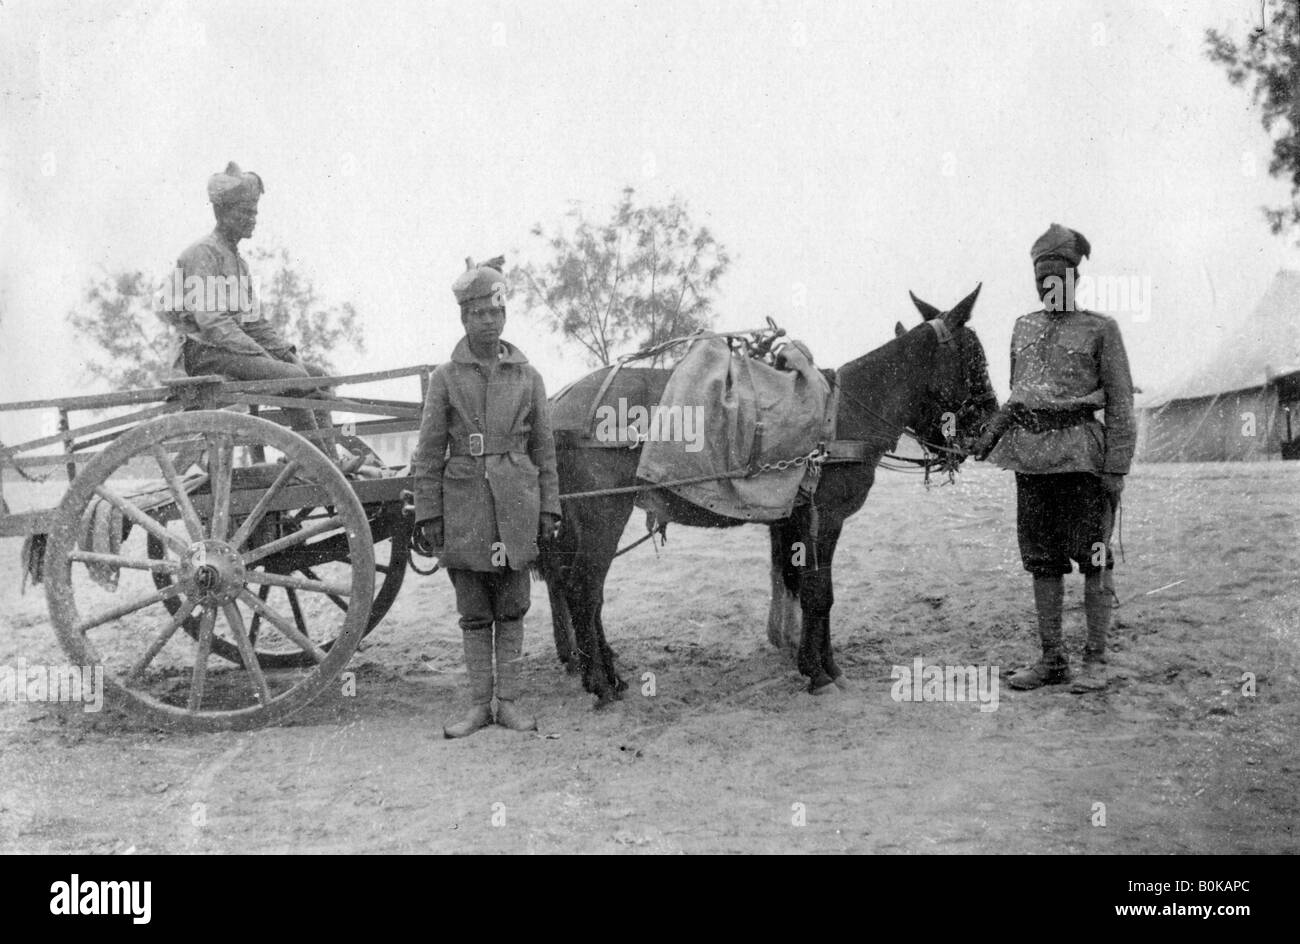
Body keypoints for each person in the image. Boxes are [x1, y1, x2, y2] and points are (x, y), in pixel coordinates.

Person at [980, 223, 1135, 692]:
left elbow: (1122, 403)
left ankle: (1096, 661)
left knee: (1093, 559)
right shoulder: (1022, 327)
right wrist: (986, 438)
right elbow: (1017, 397)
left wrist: (1116, 469)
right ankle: (1052, 660)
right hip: (1031, 461)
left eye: (1057, 277)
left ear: (1074, 278)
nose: (1048, 286)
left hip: (1082, 459)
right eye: (1040, 278)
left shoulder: (1101, 329)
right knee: (1042, 562)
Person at [411, 256, 561, 737]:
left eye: (495, 313)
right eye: (478, 314)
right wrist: (430, 512)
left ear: (504, 315)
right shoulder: (446, 378)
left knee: (513, 603)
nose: (488, 322)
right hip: (467, 505)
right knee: (474, 609)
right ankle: (479, 706)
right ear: (464, 318)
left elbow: (545, 450)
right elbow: (429, 451)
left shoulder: (528, 377)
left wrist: (550, 507)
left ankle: (509, 703)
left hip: (518, 501)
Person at [161, 161, 361, 470]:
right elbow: (213, 324)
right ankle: (317, 465)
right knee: (293, 377)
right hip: (204, 354)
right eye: (246, 212)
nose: (253, 219)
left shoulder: (239, 264)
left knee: (315, 373)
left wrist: (286, 354)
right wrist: (266, 357)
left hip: (230, 351)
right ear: (222, 213)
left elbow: (255, 321)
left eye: (255, 211)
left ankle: (326, 460)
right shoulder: (203, 254)